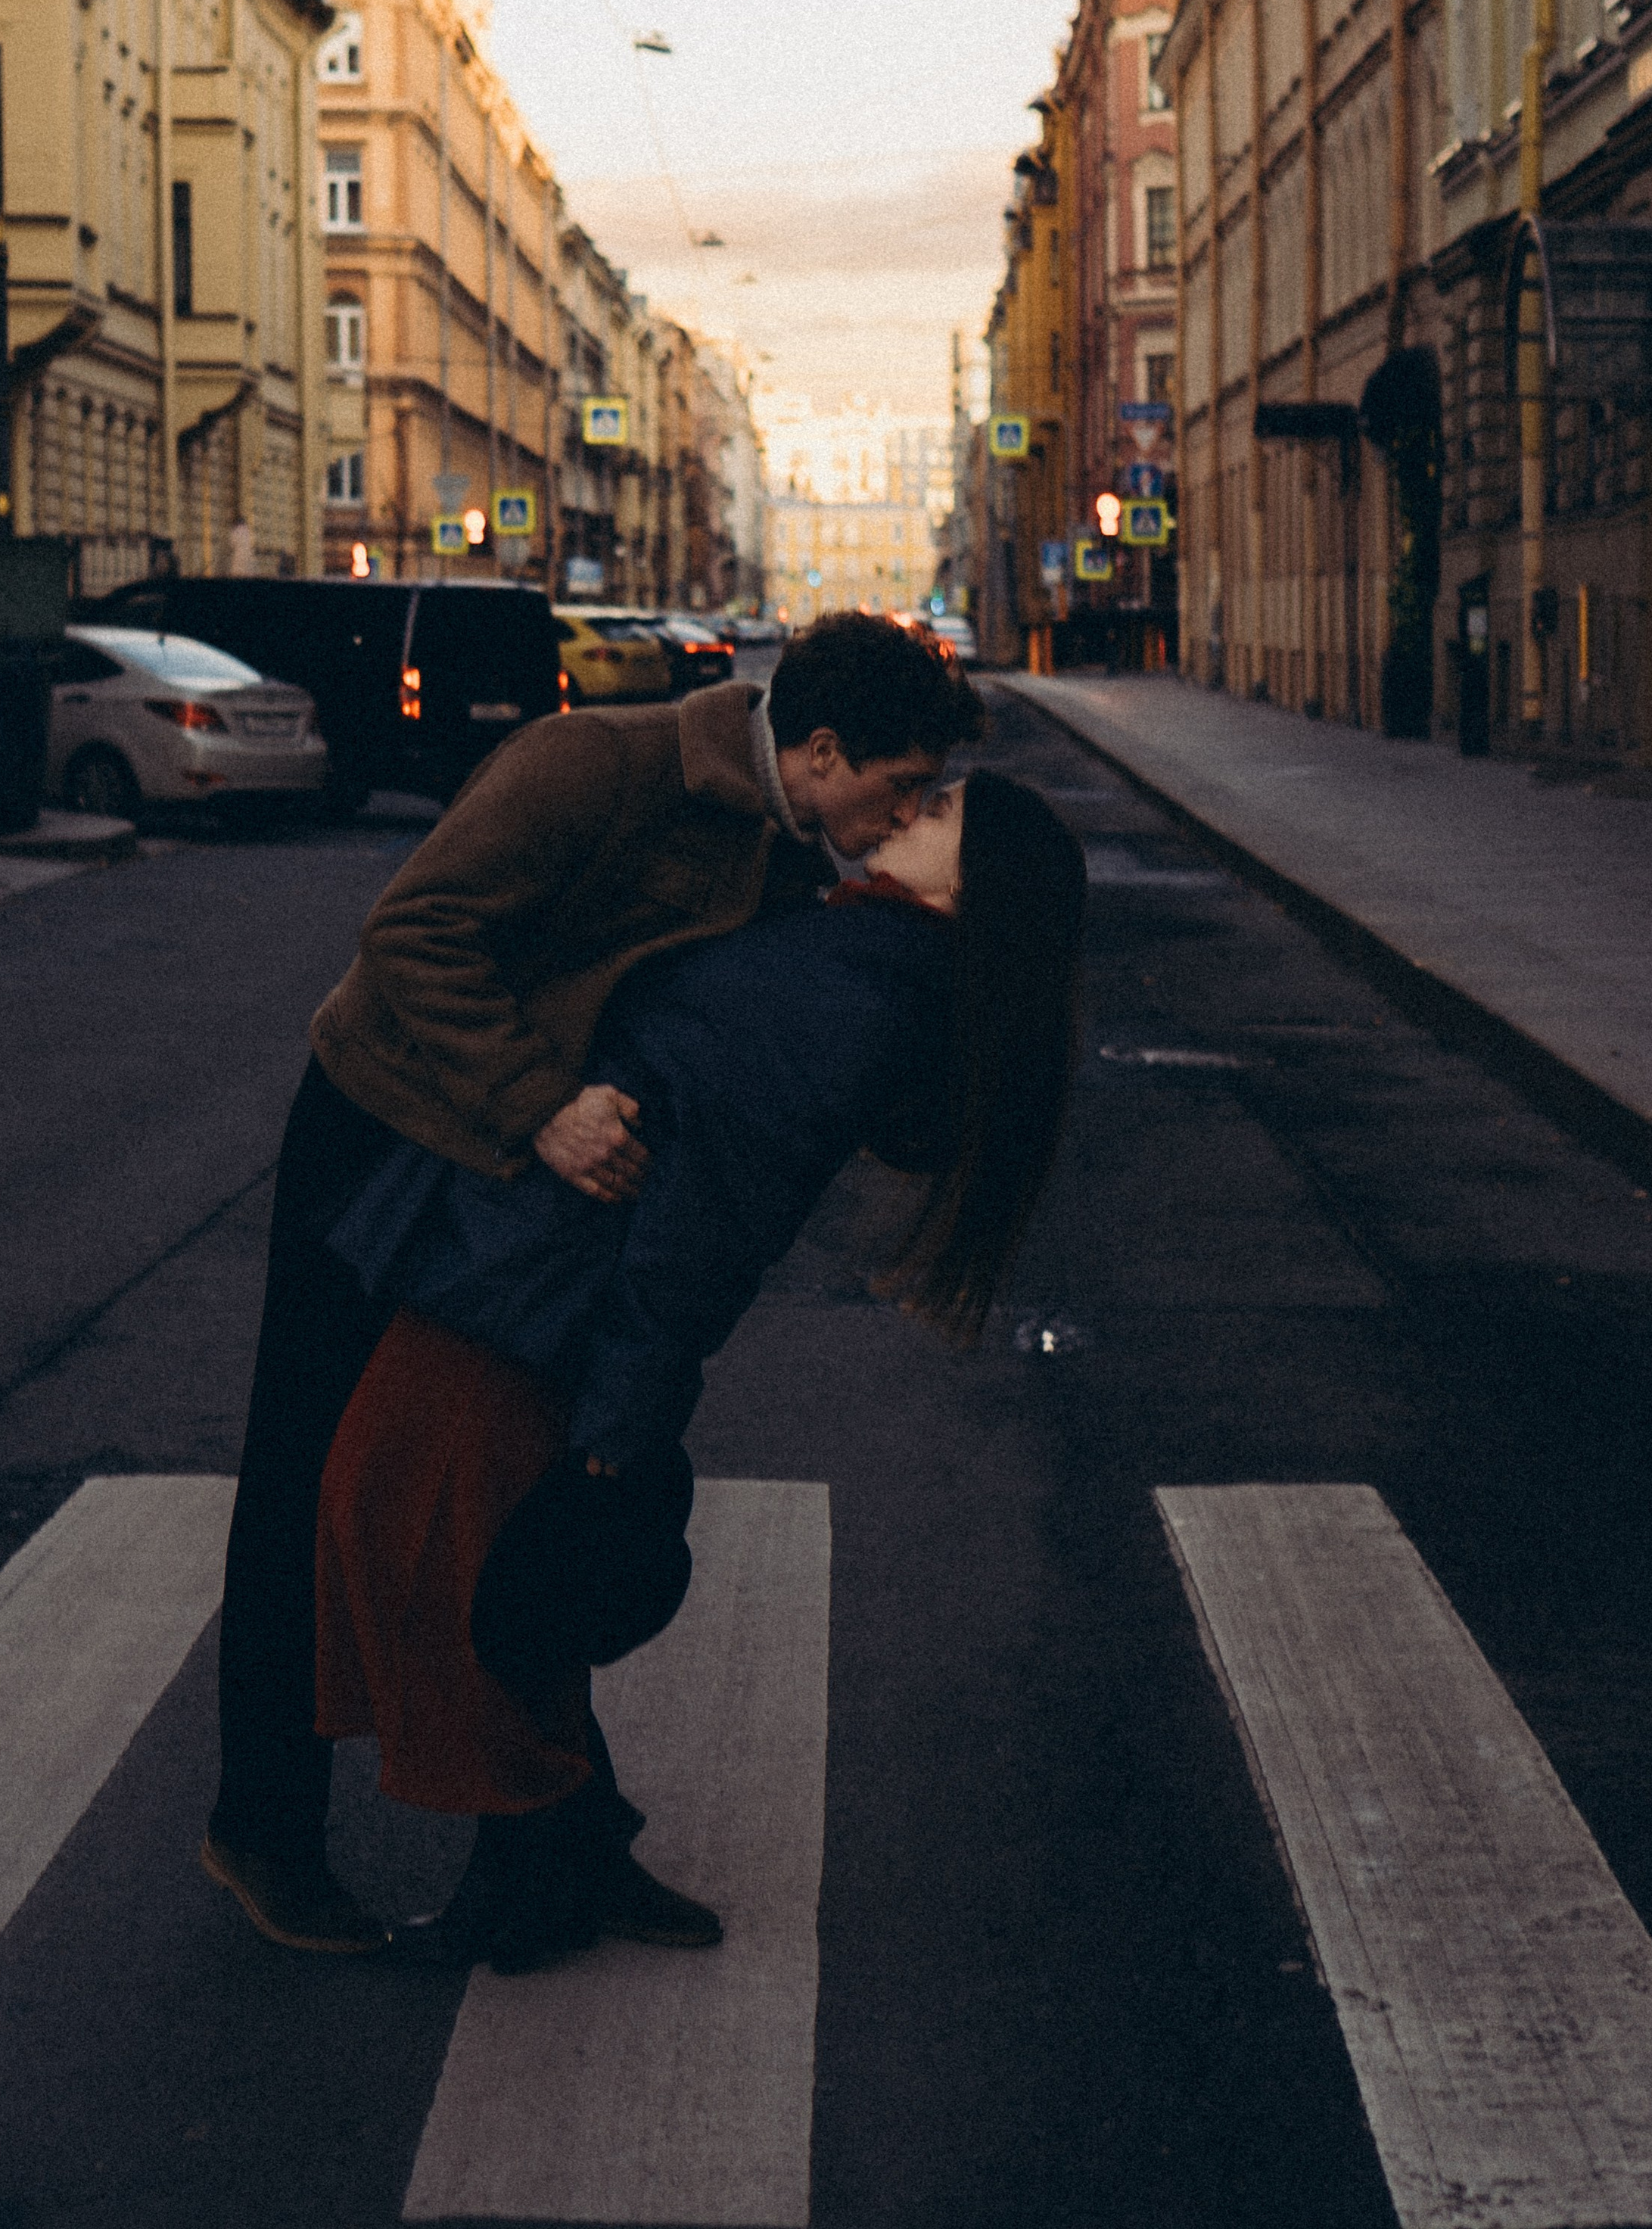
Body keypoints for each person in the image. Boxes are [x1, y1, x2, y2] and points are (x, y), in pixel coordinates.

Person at [203, 612, 984, 1954]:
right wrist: (543, 1108)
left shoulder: (795, 850)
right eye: (899, 786)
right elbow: (410, 941)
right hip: (387, 1128)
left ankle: (561, 1833)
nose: (907, 811)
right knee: (306, 1478)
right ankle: (263, 1832)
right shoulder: (593, 768)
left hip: (523, 1194)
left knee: (530, 1503)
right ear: (820, 748)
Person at [311, 768, 1086, 1975]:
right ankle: (572, 1848)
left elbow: (704, 1227)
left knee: (410, 1541)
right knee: (474, 1554)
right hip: (529, 1267)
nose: (902, 818)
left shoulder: (862, 995)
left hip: (536, 1287)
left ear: (975, 888)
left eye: (935, 815)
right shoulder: (866, 949)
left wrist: (622, 1427)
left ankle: (523, 1882)